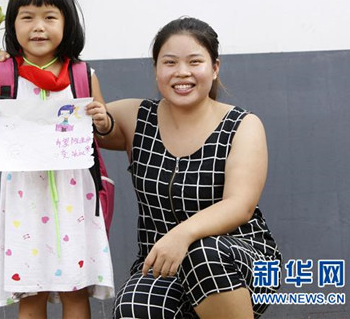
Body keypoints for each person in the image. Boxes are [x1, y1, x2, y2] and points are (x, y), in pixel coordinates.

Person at [96, 17, 281, 319]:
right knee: (135, 306)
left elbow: (240, 205)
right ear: (156, 69)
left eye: (195, 62)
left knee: (204, 256)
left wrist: (181, 236)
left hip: (238, 259)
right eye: (170, 62)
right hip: (164, 266)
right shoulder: (136, 117)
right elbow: (77, 115)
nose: (182, 72)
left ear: (215, 68)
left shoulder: (242, 125)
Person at [0, 0, 114, 318]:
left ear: (67, 23)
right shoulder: (2, 75)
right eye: (27, 17)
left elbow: (105, 128)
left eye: (50, 17)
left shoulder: (82, 75)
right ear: (13, 24)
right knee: (31, 292)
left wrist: (102, 118)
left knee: (75, 290)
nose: (38, 27)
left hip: (73, 194)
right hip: (25, 196)